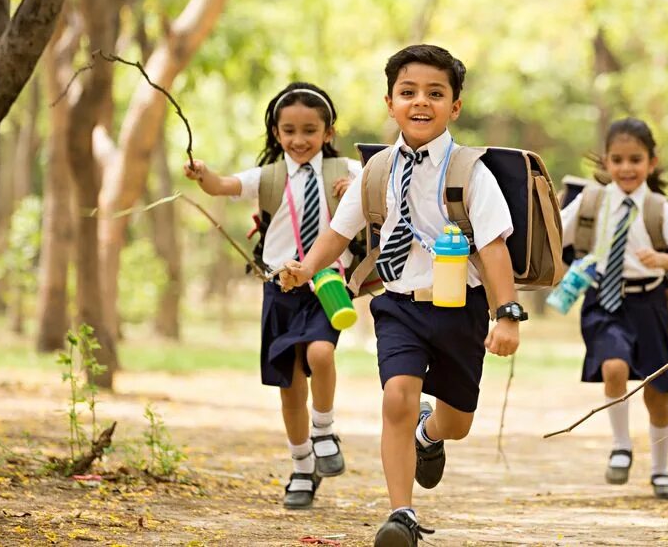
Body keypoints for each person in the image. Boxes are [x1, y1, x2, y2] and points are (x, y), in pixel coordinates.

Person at [280, 45, 525, 546]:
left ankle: (429, 435)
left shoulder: (470, 171)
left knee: (456, 421)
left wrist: (507, 315)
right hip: (398, 305)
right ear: (389, 102)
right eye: (407, 92)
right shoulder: (376, 171)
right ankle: (402, 515)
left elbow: (495, 248)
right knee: (397, 397)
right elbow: (339, 232)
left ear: (455, 106)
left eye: (435, 94)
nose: (420, 102)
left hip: (461, 308)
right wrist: (305, 269)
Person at [184, 82, 354, 509]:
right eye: (289, 130)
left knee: (321, 353)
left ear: (328, 133)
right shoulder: (268, 178)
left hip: (327, 284)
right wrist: (203, 175)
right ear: (276, 133)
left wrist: (354, 191)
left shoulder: (346, 172)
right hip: (280, 288)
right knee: (290, 384)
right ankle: (301, 466)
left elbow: (381, 196)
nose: (299, 140)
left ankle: (324, 431)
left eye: (310, 131)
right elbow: (222, 185)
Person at [559, 117, 668, 500]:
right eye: (617, 160)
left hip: (648, 303)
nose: (626, 168)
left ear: (651, 163)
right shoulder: (591, 202)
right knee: (614, 366)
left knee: (658, 390)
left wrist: (660, 259)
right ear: (605, 162)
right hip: (603, 300)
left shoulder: (658, 208)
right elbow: (554, 235)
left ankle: (661, 470)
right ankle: (621, 446)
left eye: (635, 159)